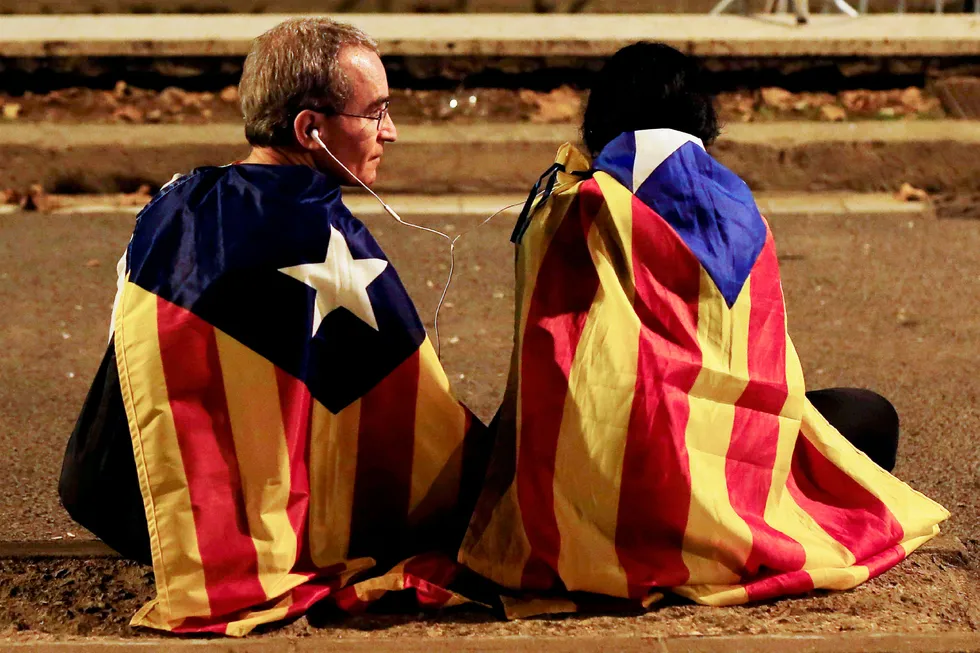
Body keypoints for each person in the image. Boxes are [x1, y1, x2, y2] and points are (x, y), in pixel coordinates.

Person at [459, 42, 948, 612]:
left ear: (599, 121)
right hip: (724, 472)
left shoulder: (570, 203)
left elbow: (548, 368)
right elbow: (767, 379)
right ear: (702, 121)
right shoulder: (742, 212)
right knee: (868, 417)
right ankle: (728, 525)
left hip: (603, 482)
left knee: (495, 444)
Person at [59, 17, 485, 636]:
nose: (389, 131)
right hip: (202, 535)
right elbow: (411, 422)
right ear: (311, 130)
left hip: (110, 488)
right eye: (375, 112)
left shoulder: (180, 199)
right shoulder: (316, 234)